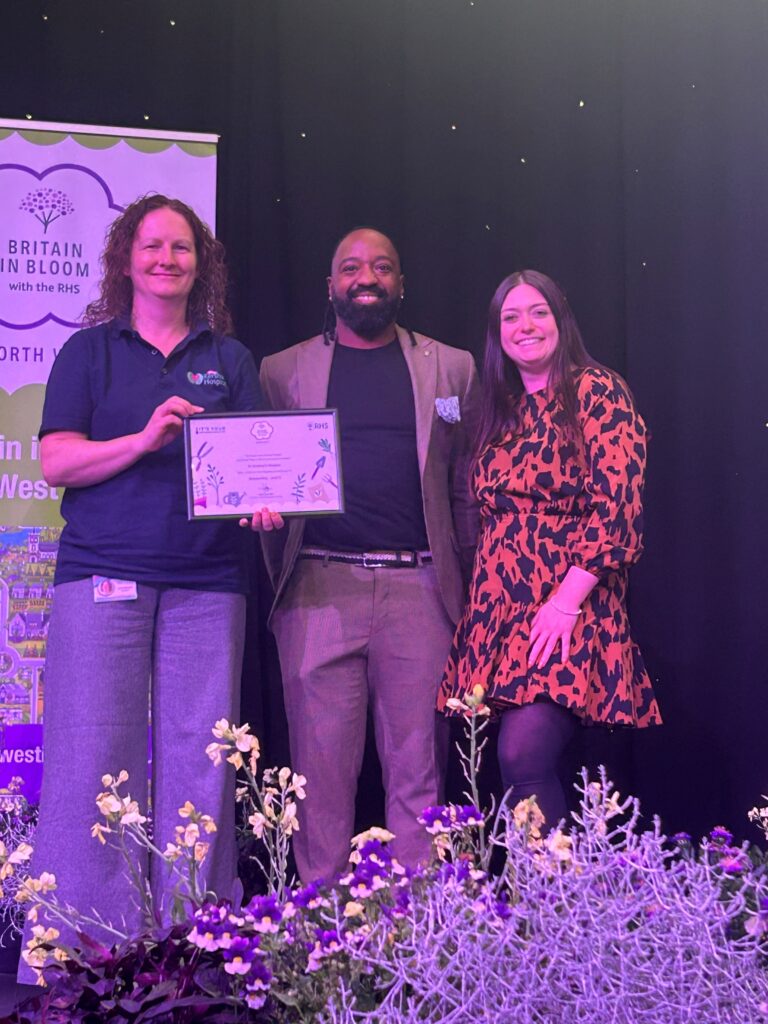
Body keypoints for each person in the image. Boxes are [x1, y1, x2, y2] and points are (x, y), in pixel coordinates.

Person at [20, 195, 263, 977]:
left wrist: (266, 502)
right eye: (152, 246)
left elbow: (258, 463)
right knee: (91, 762)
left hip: (206, 583)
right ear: (126, 259)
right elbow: (58, 462)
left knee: (202, 765)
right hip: (101, 578)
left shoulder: (228, 360)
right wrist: (146, 437)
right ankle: (79, 953)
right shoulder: (87, 354)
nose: (167, 259)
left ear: (201, 264)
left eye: (182, 248)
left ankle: (196, 953)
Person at [258, 228, 480, 881]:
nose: (367, 277)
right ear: (330, 286)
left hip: (420, 590)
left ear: (401, 284)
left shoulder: (452, 368)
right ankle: (321, 953)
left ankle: (417, 949)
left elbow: (464, 484)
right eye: (351, 267)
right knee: (318, 781)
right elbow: (264, 473)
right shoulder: (282, 370)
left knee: (420, 776)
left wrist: (465, 593)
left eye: (383, 266)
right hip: (317, 589)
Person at [438, 270, 661, 828]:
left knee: (524, 755)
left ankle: (553, 908)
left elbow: (619, 511)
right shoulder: (498, 409)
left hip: (567, 606)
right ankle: (542, 904)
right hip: (499, 614)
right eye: (510, 317)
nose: (525, 326)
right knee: (508, 769)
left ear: (561, 320)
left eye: (538, 311)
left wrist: (564, 603)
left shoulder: (595, 390)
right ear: (497, 334)